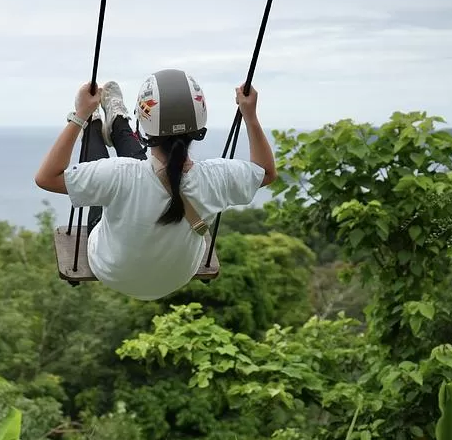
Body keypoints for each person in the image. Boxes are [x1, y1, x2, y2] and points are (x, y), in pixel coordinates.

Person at [34, 69, 276, 300]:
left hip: (113, 272)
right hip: (178, 276)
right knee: (135, 170)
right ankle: (116, 122)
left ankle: (94, 125)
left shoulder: (121, 175)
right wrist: (250, 116)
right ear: (199, 127)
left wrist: (80, 115)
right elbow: (265, 173)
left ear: (146, 129)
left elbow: (47, 177)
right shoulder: (217, 177)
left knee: (107, 178)